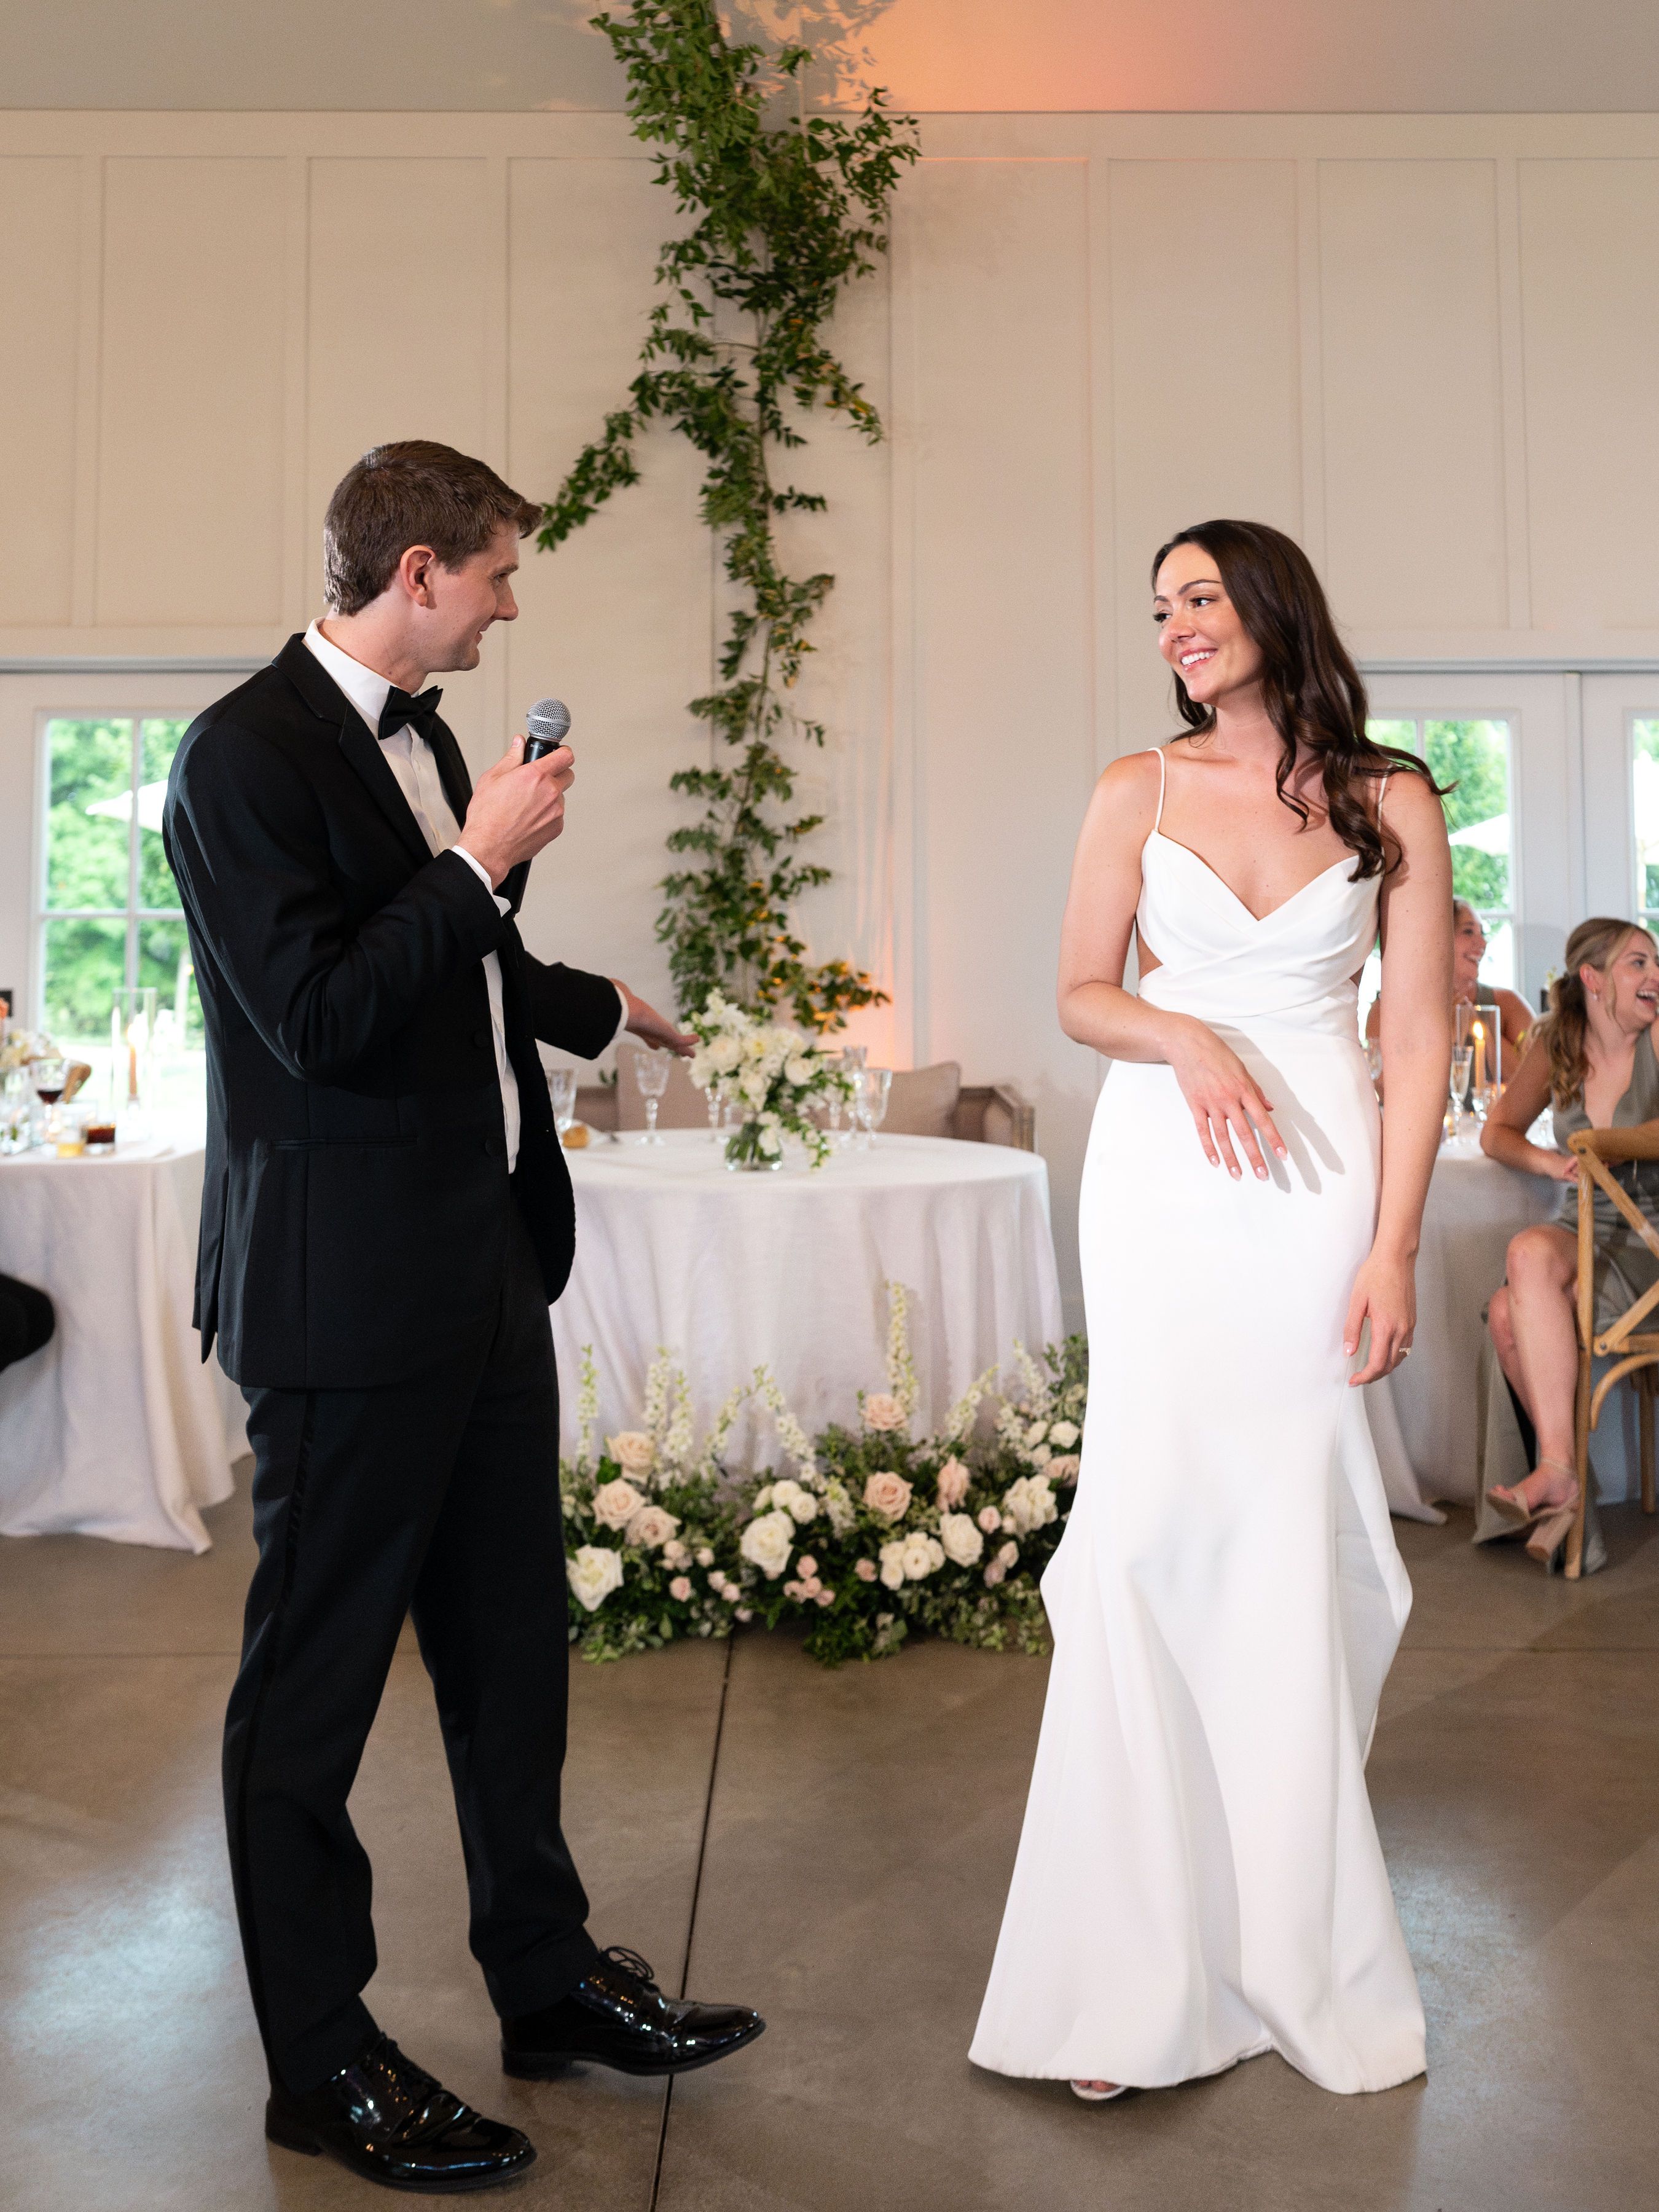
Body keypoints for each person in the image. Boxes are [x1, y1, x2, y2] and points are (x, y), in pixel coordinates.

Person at [163, 441, 763, 2195]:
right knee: (313, 1695)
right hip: (342, 1296)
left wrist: (592, 1001)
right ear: (417, 573)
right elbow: (322, 1017)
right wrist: (480, 854)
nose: (511, 604)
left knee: (513, 1657)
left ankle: (548, 1977)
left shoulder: (420, 737)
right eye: (498, 574)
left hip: (484, 1264)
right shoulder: (242, 756)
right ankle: (323, 2065)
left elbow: (462, 967)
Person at [970, 519, 1451, 2102]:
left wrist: (1389, 1246)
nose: (1174, 624)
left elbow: (1413, 1040)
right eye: (1159, 606)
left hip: (1317, 1198)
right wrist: (1184, 1040)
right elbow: (1078, 990)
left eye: (1198, 597)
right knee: (1141, 1530)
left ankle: (1282, 1932)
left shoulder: (1389, 796)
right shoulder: (1139, 786)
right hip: (1166, 1191)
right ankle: (1124, 1966)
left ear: (1268, 603)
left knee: (1288, 1539)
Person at [1480, 917, 1659, 1564]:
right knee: (1525, 1261)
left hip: (1652, 1238)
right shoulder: (1558, 1041)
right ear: (1593, 978)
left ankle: (1561, 1485)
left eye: (1655, 964)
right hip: (1585, 1226)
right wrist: (1551, 1163)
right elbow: (1496, 1131)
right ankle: (1565, 1476)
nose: (1655, 977)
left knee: (1509, 1307)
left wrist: (1606, 1145)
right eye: (1638, 963)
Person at [1366, 896, 1531, 1080]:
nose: (1483, 944)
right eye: (1469, 932)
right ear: (1439, 937)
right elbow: (1382, 1086)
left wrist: (1480, 1028)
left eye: (1482, 934)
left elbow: (1535, 1084)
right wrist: (1445, 1035)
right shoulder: (1387, 1009)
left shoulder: (1507, 1004)